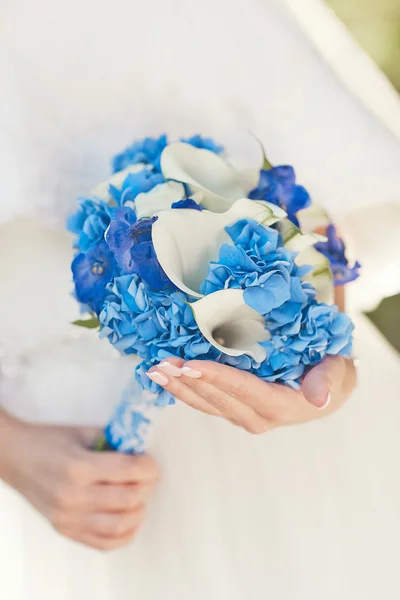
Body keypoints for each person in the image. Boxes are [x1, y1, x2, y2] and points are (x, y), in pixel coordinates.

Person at [1, 0, 400, 599]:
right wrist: (13, 452)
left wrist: (321, 372)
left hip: (274, 460)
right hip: (70, 474)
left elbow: (315, 226)